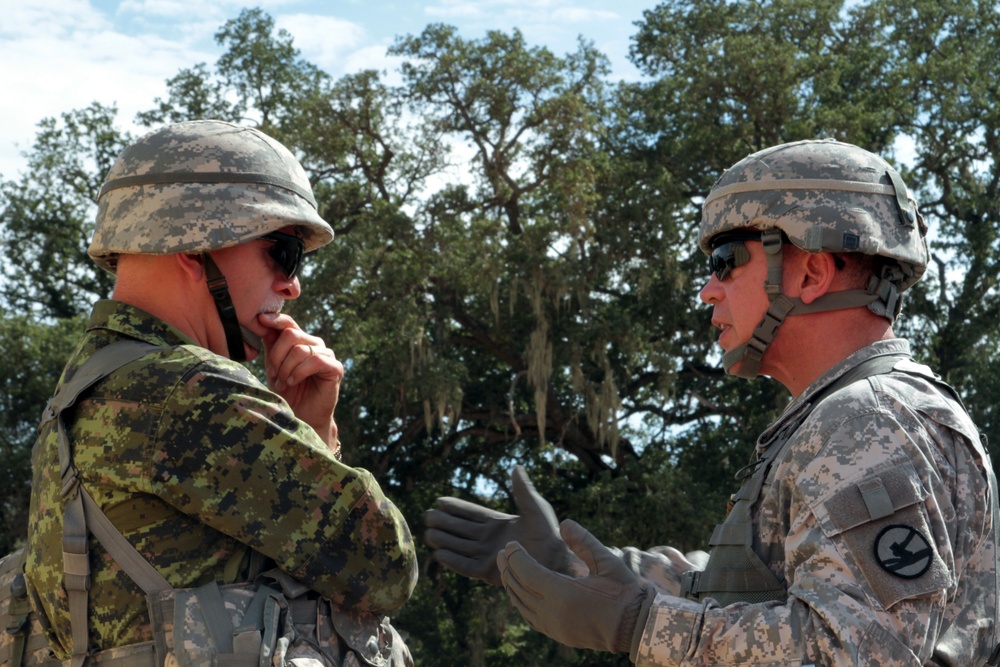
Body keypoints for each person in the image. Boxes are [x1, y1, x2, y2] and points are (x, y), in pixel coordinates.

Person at [424, 139, 1000, 665]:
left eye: (726, 260)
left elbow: (859, 651)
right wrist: (571, 565)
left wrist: (642, 626)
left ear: (812, 274)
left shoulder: (867, 419)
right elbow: (745, 590)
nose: (708, 289)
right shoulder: (854, 415)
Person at [23, 120, 418, 666]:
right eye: (282, 252)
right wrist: (320, 436)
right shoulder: (191, 390)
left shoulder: (77, 395)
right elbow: (386, 565)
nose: (292, 284)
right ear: (195, 243)